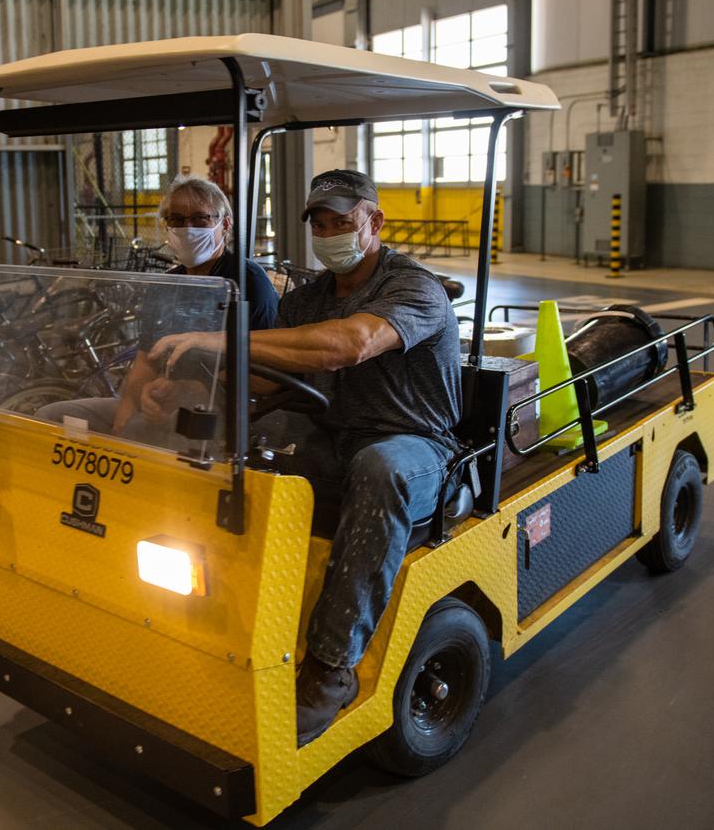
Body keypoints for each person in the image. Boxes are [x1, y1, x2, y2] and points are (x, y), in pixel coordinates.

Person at [149, 169, 461, 745]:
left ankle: (330, 668)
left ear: (375, 221)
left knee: (379, 469)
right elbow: (272, 381)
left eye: (341, 222)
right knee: (237, 447)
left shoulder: (414, 287)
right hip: (330, 429)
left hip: (412, 442)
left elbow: (348, 345)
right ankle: (222, 617)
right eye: (319, 224)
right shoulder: (311, 296)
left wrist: (223, 340)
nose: (328, 233)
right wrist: (197, 380)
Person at [37, 174, 278, 443]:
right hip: (163, 403)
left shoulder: (247, 281)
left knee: (140, 434)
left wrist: (190, 391)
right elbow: (145, 361)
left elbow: (266, 375)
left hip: (218, 414)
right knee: (53, 416)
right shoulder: (166, 285)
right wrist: (128, 407)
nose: (187, 228)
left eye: (200, 219)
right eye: (176, 220)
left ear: (225, 225)